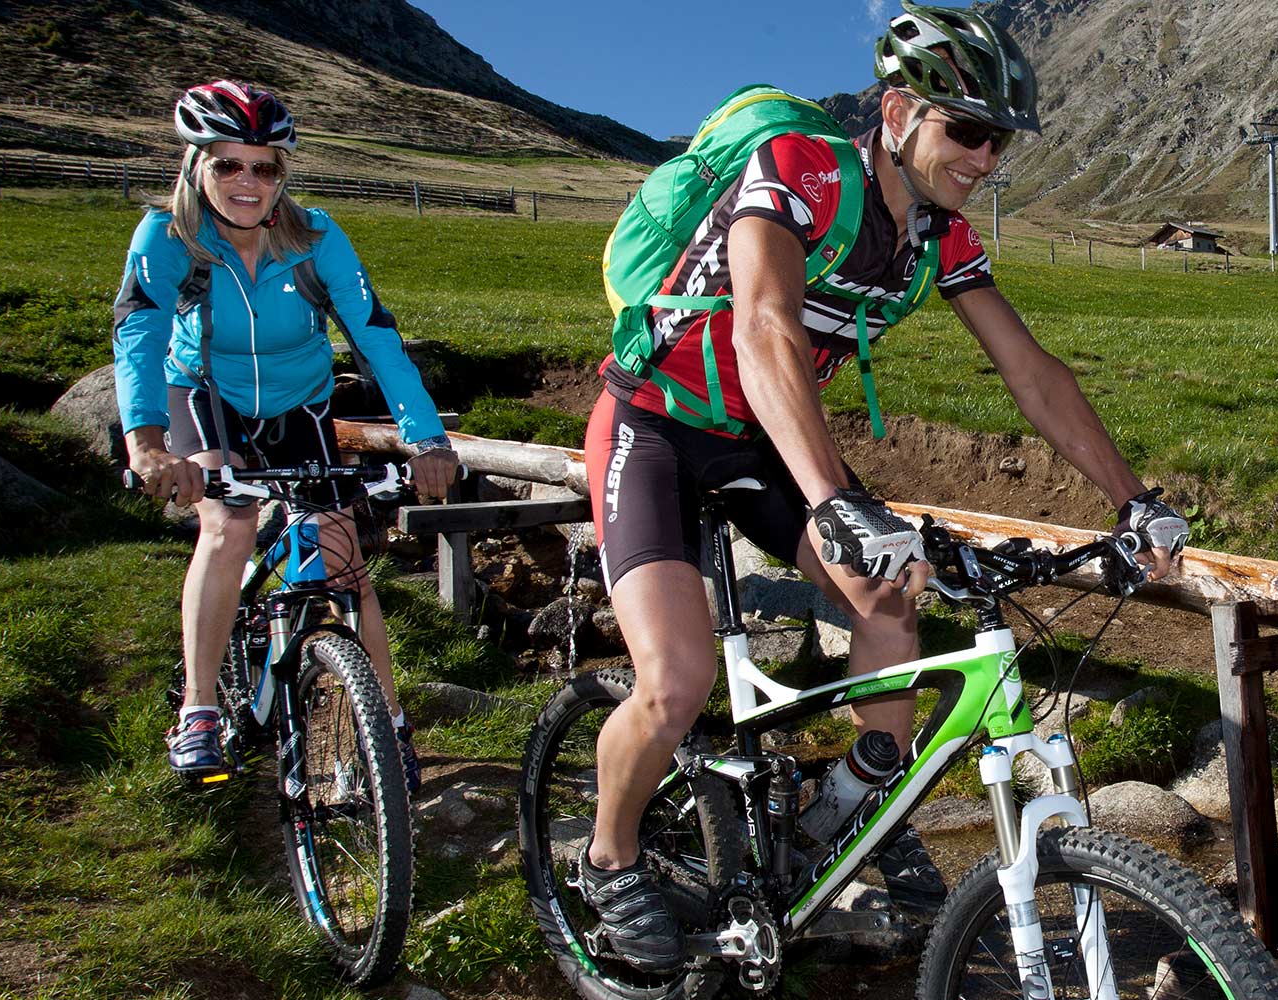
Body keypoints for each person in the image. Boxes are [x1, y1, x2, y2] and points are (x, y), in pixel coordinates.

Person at [576, 4, 1190, 968]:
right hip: (654, 426)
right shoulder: (797, 172)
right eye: (970, 131)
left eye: (1001, 140)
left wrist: (1131, 498)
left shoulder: (937, 238)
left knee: (891, 607)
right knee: (677, 681)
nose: (988, 158)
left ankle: (862, 802)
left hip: (765, 442)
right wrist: (833, 500)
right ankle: (608, 862)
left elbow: (1031, 371)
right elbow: (764, 328)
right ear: (900, 110)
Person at [112, 80, 459, 790]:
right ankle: (200, 709)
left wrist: (426, 440)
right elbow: (139, 331)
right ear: (194, 166)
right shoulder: (169, 236)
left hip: (300, 400)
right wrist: (148, 443)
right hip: (202, 393)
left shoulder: (317, 238)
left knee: (343, 561)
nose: (247, 181)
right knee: (230, 522)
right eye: (227, 165)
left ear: (283, 174)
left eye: (264, 166)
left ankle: (388, 725)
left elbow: (377, 339)